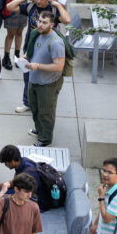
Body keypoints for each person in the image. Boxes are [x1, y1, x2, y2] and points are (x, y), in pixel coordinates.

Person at [21, 12, 66, 147]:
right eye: (39, 21)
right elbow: (30, 52)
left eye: (44, 22)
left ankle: (45, 139)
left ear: (52, 24)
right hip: (34, 79)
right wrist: (24, 58)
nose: (40, 24)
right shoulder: (36, 34)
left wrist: (38, 66)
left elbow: (59, 66)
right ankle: (39, 130)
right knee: (35, 108)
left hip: (48, 83)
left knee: (46, 112)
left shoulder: (56, 42)